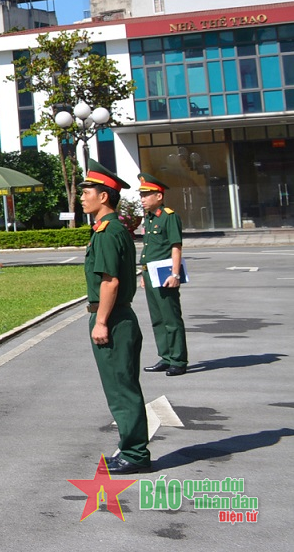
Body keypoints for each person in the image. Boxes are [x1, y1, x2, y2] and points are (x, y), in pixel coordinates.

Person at [79, 160, 151, 475]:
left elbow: (110, 282)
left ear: (104, 196)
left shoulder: (108, 232)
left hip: (113, 318)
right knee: (122, 385)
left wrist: (100, 322)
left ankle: (135, 454)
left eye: (87, 192)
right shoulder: (111, 229)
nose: (82, 197)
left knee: (121, 388)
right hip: (118, 316)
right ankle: (132, 449)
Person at [138, 172, 188, 377]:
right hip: (150, 275)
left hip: (165, 275)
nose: (142, 199)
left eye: (146, 195)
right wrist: (143, 275)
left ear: (159, 196)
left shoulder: (169, 216)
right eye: (141, 195)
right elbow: (149, 249)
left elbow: (176, 247)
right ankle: (166, 357)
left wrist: (175, 274)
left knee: (171, 318)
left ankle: (178, 360)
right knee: (158, 319)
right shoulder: (149, 218)